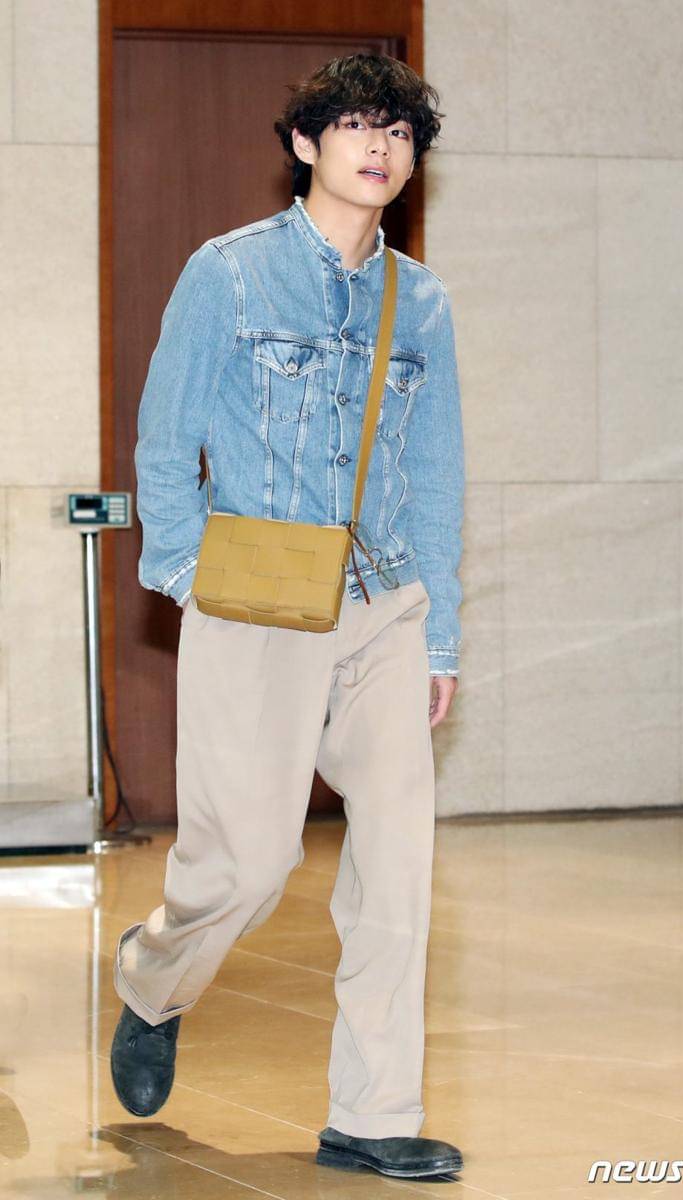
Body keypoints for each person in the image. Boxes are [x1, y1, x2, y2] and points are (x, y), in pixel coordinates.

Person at [110, 51, 466, 1180]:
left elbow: (435, 475)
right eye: (355, 125)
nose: (379, 147)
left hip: (384, 599)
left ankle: (372, 1113)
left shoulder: (422, 301)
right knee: (250, 863)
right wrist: (190, 576)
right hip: (257, 598)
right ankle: (152, 977)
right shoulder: (227, 275)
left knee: (397, 865)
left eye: (398, 132)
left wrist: (440, 632)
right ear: (305, 144)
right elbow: (165, 440)